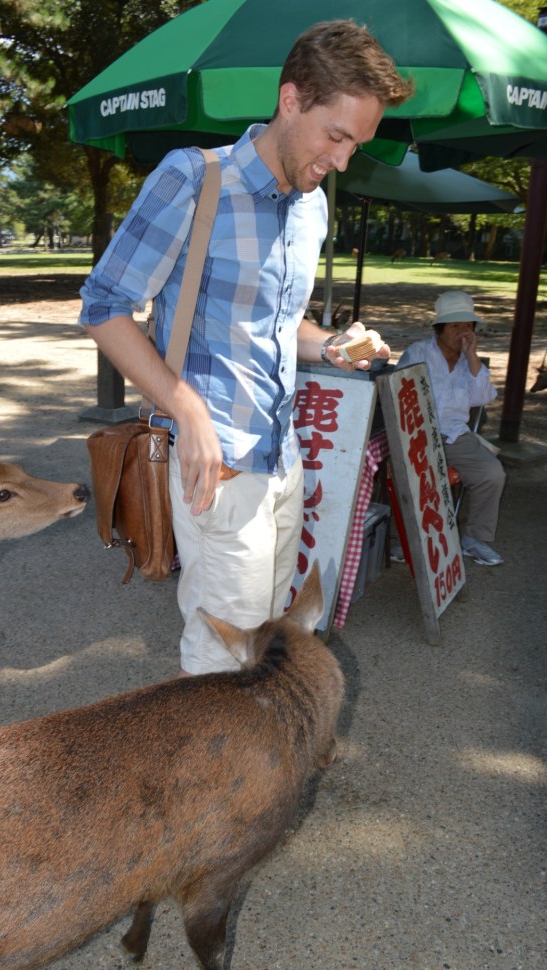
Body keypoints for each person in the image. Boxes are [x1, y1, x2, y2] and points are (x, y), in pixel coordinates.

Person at [79, 20, 413, 673]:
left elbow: (278, 325)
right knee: (222, 665)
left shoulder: (311, 207)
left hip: (284, 460)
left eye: (358, 143)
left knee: (267, 640)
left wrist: (334, 346)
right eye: (336, 135)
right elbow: (104, 307)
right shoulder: (194, 179)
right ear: (291, 100)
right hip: (219, 466)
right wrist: (188, 410)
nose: (344, 161)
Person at [396, 290, 506, 566]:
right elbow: (399, 392)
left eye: (467, 326)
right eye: (455, 326)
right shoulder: (419, 352)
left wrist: (472, 357)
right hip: (419, 433)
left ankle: (475, 538)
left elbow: (483, 398)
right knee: (417, 476)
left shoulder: (471, 362)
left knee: (492, 473)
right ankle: (407, 540)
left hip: (455, 435)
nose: (462, 332)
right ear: (440, 328)